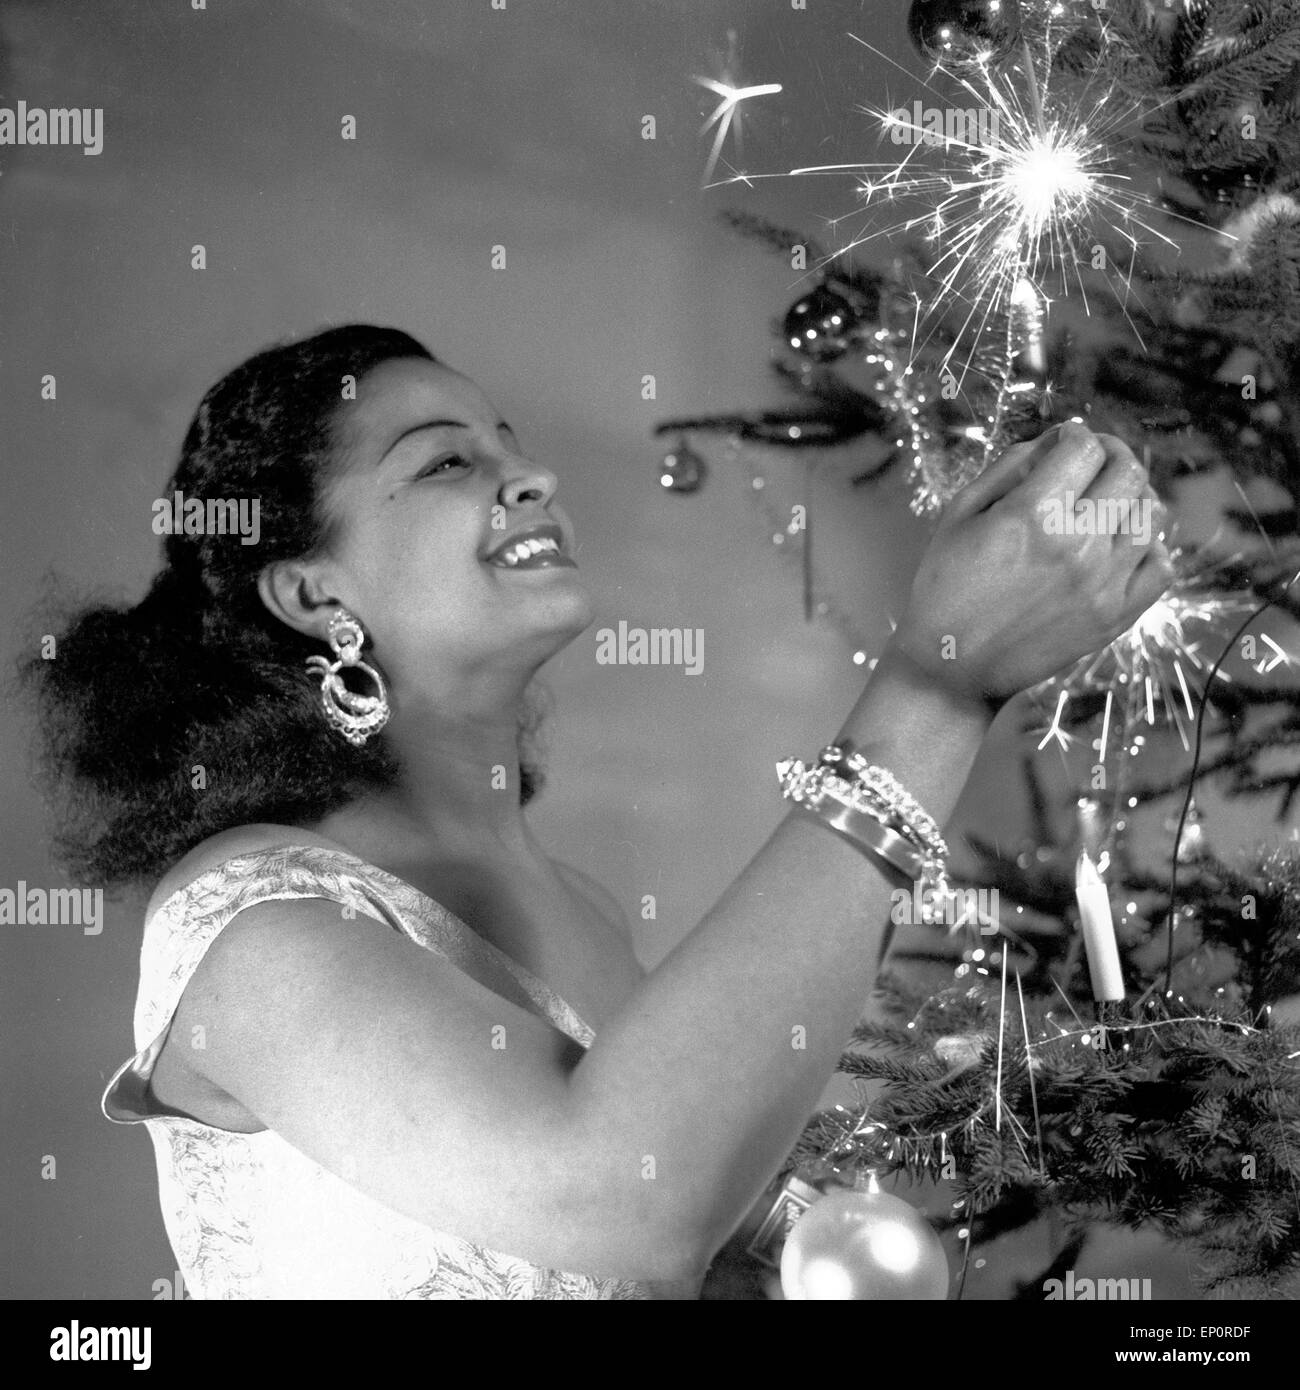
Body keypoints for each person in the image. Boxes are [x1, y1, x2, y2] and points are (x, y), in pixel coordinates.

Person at [27, 324, 1172, 1299]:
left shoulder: (580, 911)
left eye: (513, 448)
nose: (531, 480)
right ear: (313, 590)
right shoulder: (247, 925)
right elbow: (627, 1193)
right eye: (443, 465)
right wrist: (935, 685)